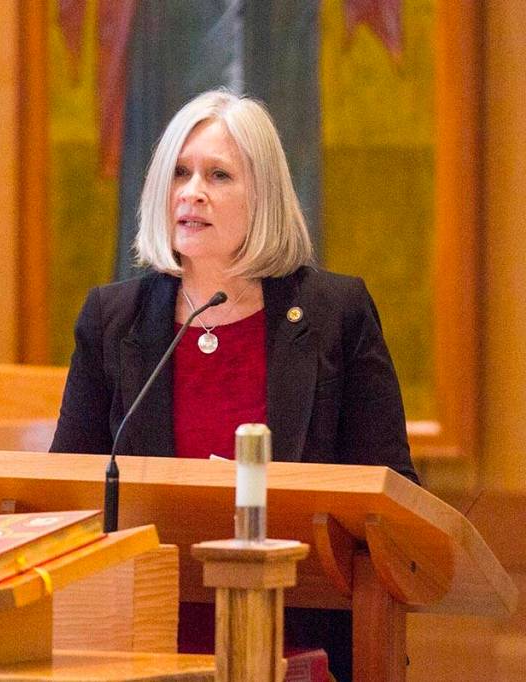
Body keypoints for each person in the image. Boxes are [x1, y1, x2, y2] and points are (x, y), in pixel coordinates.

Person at [50, 89, 419, 681]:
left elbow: (393, 500)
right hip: (139, 640)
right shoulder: (110, 320)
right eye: (180, 172)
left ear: (264, 195)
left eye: (218, 175)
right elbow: (64, 492)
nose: (191, 191)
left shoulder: (334, 314)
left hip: (297, 630)